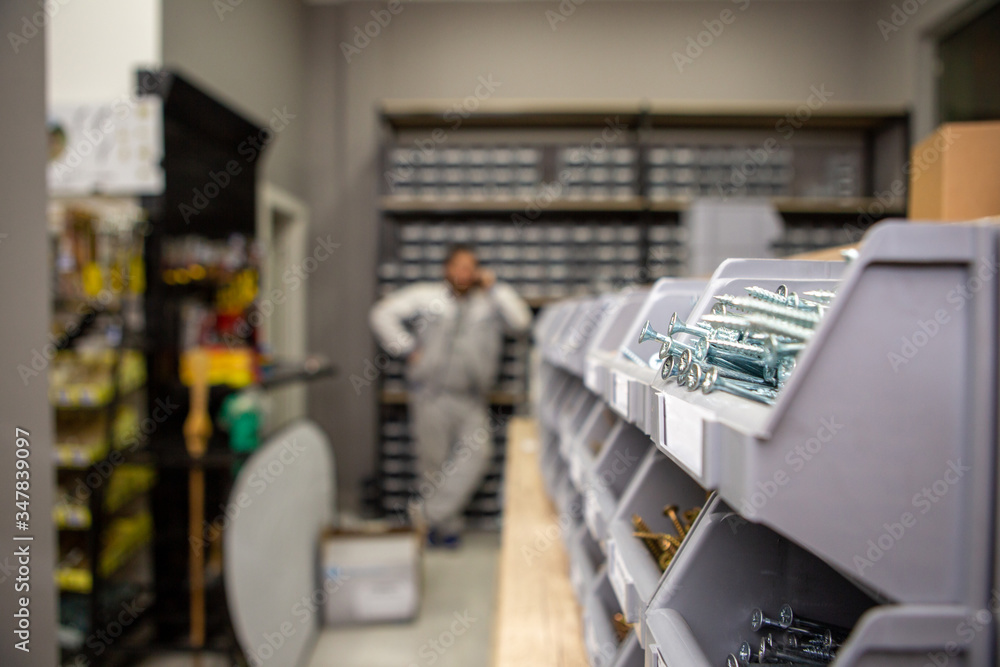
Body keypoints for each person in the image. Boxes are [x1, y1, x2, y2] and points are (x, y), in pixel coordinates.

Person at [370, 244, 532, 546]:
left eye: (470, 267)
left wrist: (495, 287)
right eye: (458, 266)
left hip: (471, 398)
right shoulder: (426, 297)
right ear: (446, 268)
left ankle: (426, 515)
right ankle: (445, 530)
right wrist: (405, 348)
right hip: (430, 395)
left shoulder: (489, 302)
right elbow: (381, 314)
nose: (463, 272)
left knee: (478, 456)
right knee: (433, 466)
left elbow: (521, 321)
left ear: (478, 272)